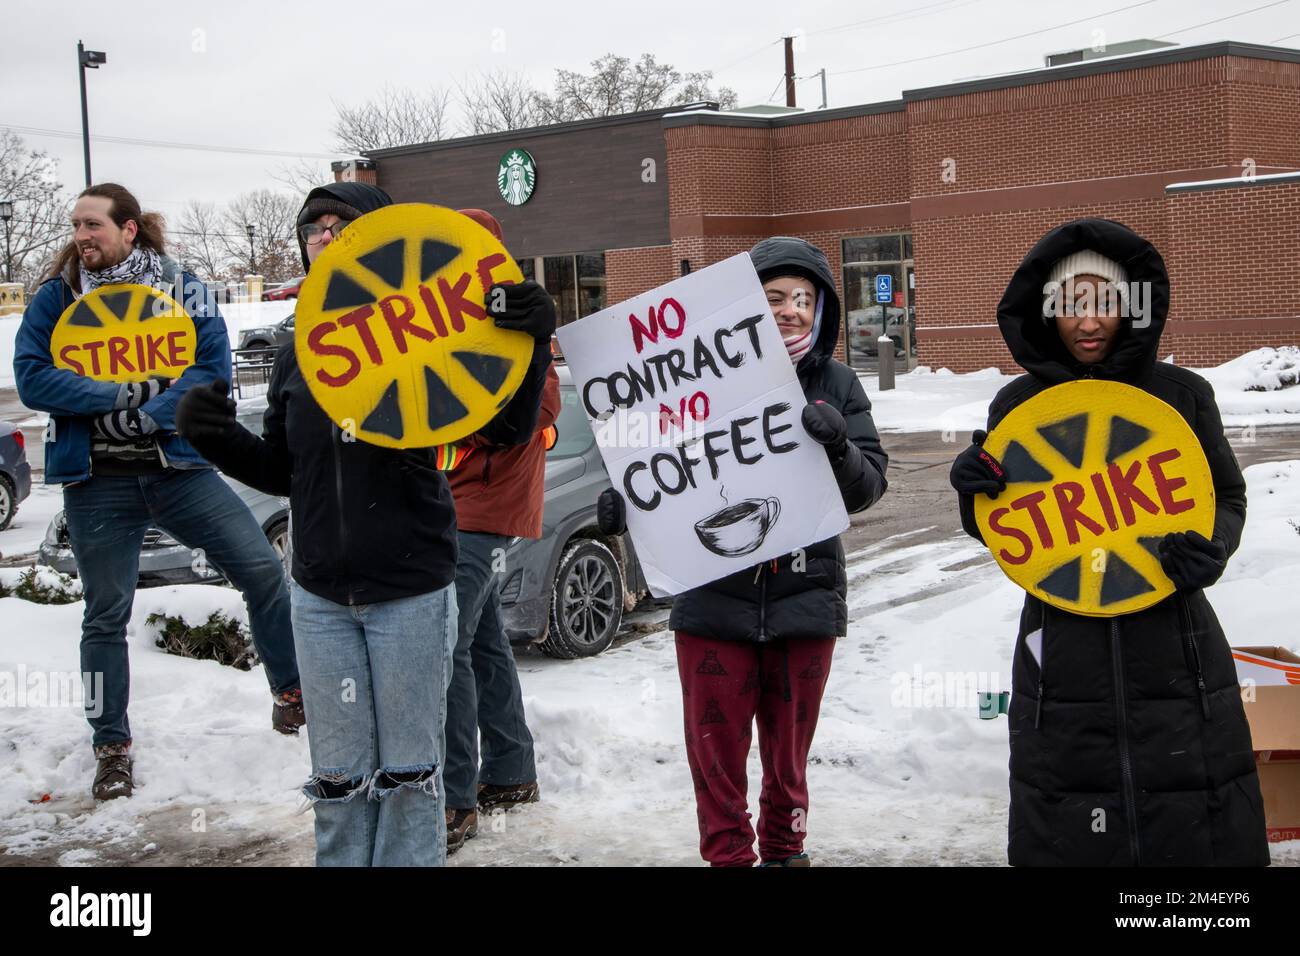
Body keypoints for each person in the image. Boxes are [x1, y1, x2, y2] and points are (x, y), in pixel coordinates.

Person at [176, 183, 556, 866]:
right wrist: (216, 437)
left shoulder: (426, 334)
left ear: (379, 244)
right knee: (339, 779)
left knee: (412, 775)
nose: (323, 235)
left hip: (410, 589)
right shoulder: (300, 351)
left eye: (340, 224)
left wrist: (529, 343)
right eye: (311, 227)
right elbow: (285, 471)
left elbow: (507, 427)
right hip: (318, 595)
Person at [949, 217, 1269, 866]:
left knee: (1195, 834)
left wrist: (1212, 546)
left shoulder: (1183, 396)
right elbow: (1005, 525)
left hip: (1175, 645)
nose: (1088, 321)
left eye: (1104, 301)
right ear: (1047, 311)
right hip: (1063, 648)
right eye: (1070, 304)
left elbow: (1227, 497)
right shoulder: (1016, 408)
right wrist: (972, 492)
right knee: (1071, 825)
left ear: (1132, 307)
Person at [598, 236, 889, 866]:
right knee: (714, 754)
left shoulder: (836, 382)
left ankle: (787, 853)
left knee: (788, 758)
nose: (790, 310)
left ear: (822, 313)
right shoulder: (690, 376)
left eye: (805, 300)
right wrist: (627, 503)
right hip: (712, 602)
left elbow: (869, 487)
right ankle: (727, 858)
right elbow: (650, 461)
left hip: (805, 599)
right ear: (744, 306)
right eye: (775, 296)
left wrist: (840, 447)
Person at [13, 183, 302, 803]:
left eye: (92, 225)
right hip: (96, 482)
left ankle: (292, 697)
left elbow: (211, 368)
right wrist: (118, 395)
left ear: (129, 230)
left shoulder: (183, 287)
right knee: (104, 615)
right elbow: (34, 376)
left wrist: (154, 413)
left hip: (180, 470)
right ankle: (110, 747)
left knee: (262, 572)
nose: (80, 237)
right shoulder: (56, 296)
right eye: (75, 226)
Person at [442, 208, 558, 855]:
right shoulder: (446, 324)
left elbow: (542, 404)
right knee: (483, 643)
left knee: (446, 647)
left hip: (485, 513)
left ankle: (456, 798)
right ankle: (510, 772)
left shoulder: (515, 315)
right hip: (460, 509)